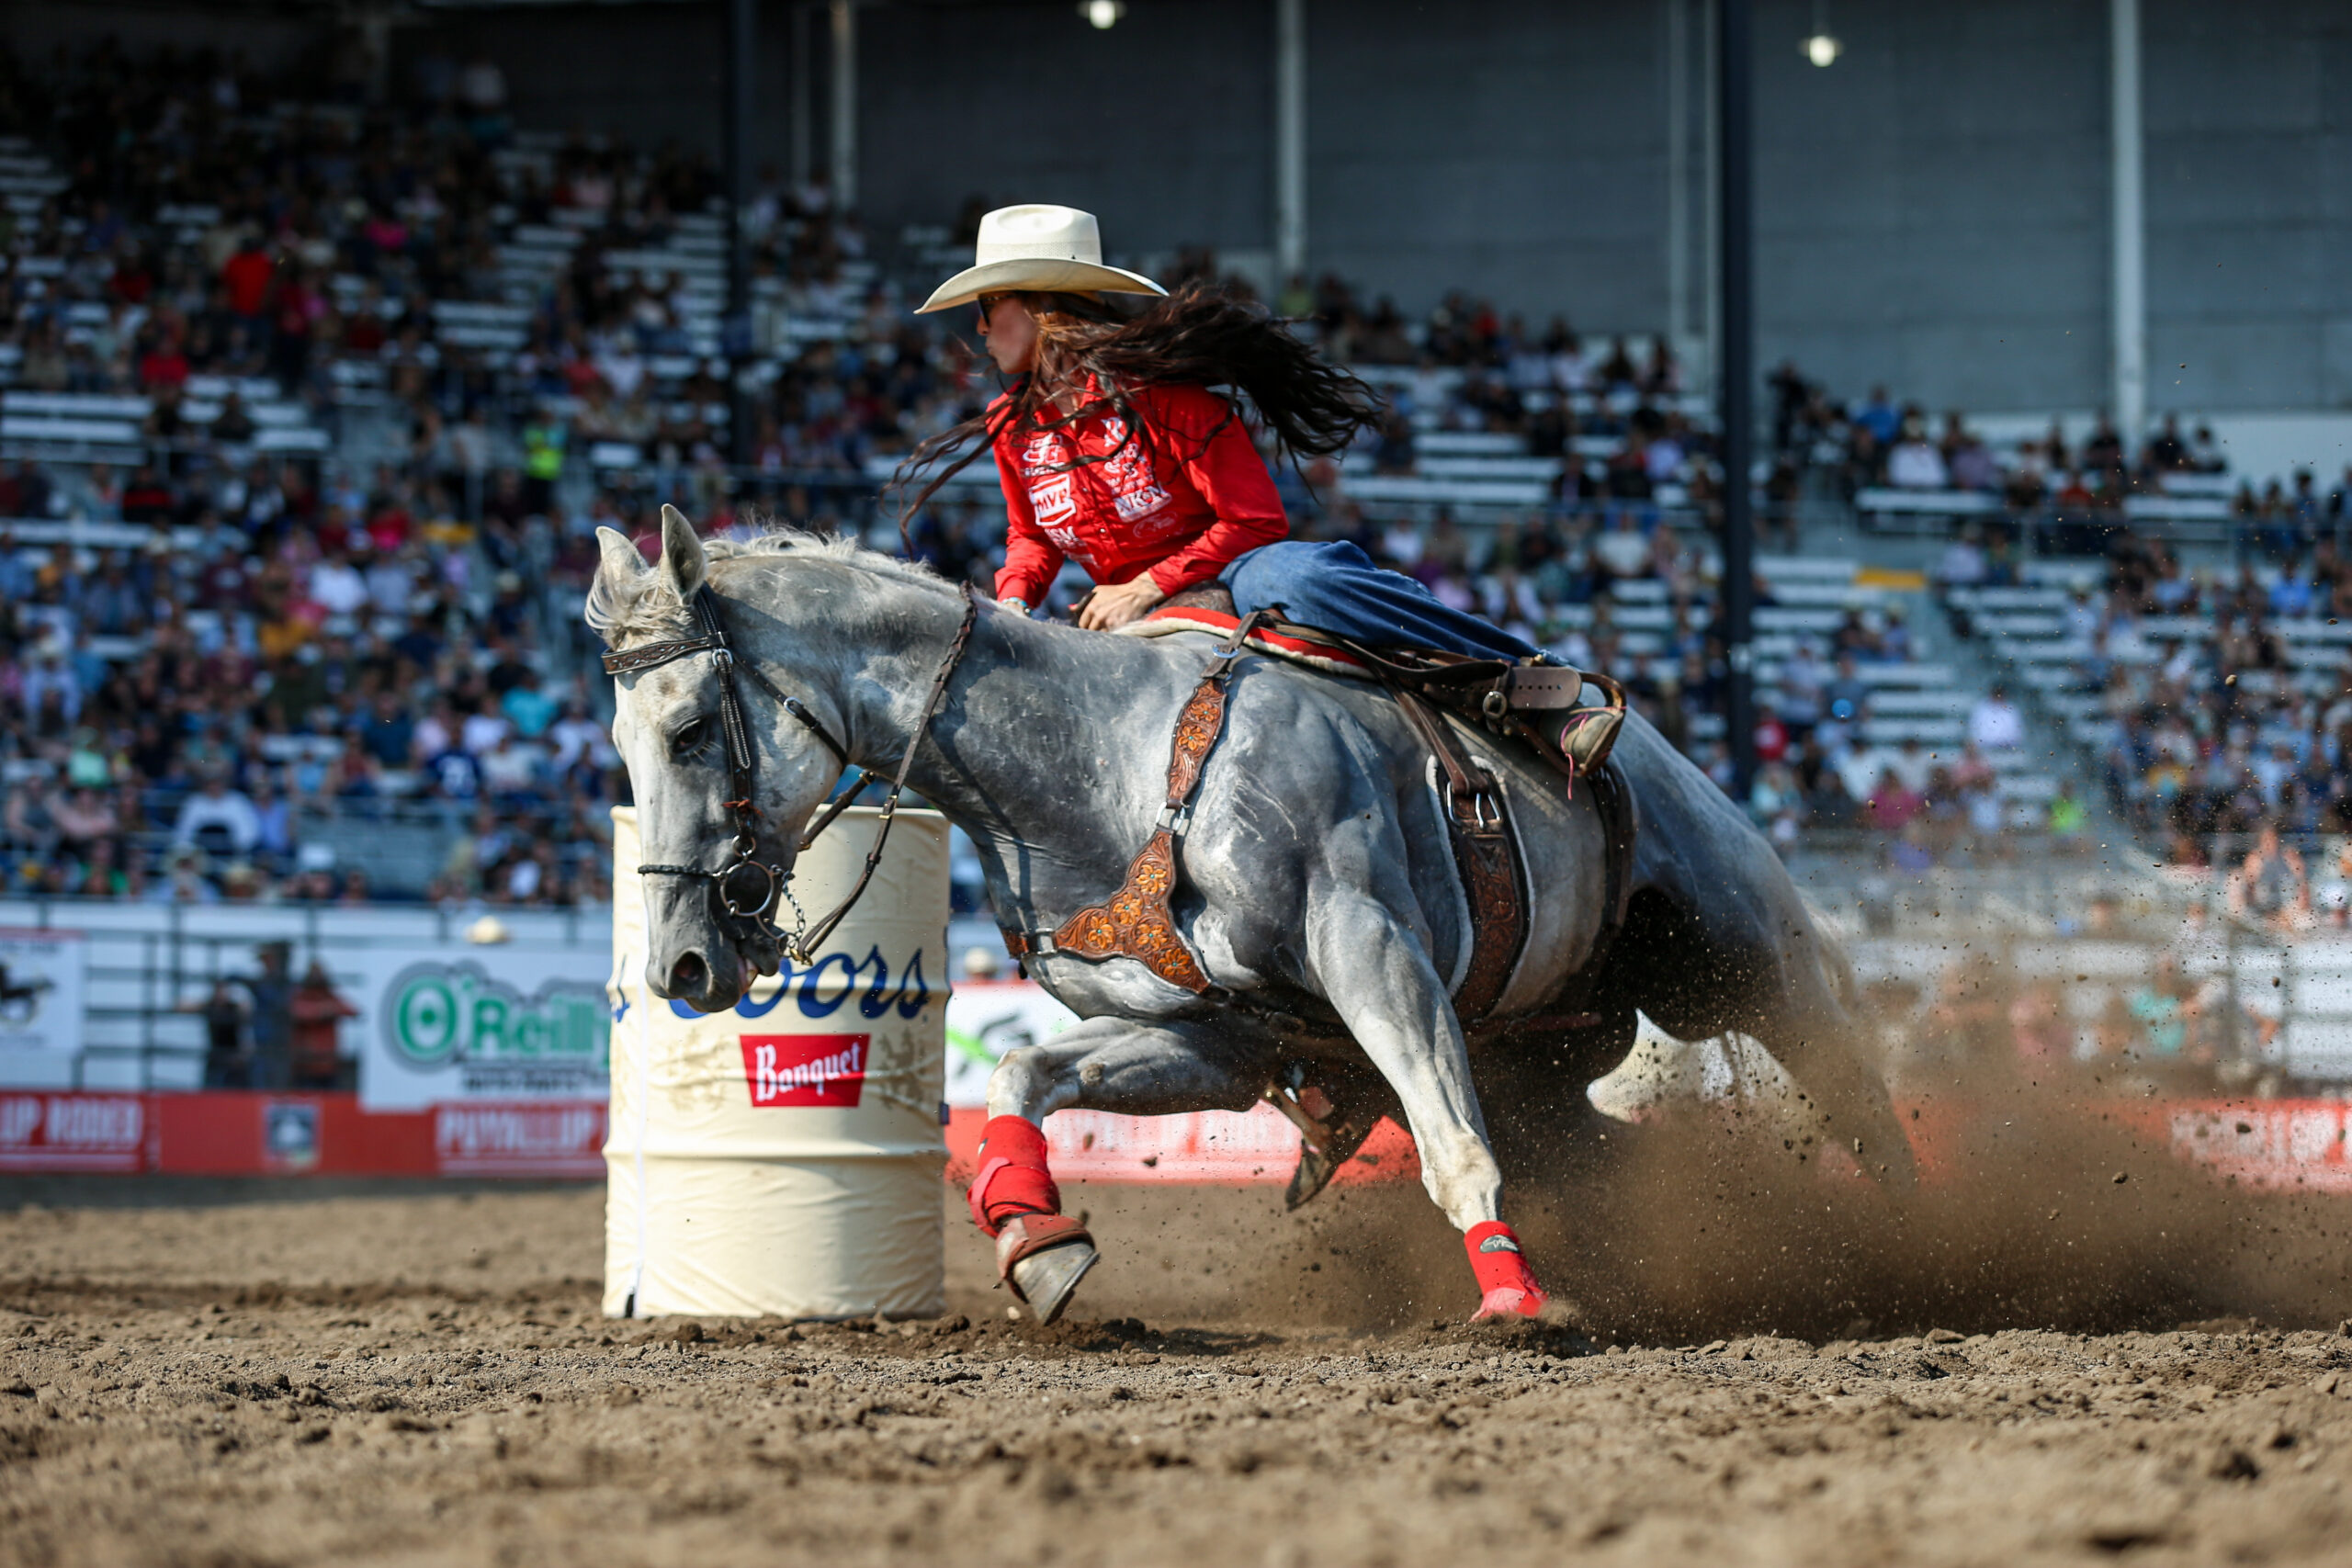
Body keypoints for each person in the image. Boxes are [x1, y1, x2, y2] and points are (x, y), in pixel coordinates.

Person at [902, 205, 1544, 661]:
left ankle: (1517, 668)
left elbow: (1257, 521)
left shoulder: (1168, 401)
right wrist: (1012, 604)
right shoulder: (1009, 424)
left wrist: (1147, 586)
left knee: (1300, 581)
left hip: (1233, 573)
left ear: (1039, 308)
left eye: (988, 309)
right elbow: (1031, 536)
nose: (980, 330)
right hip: (1120, 606)